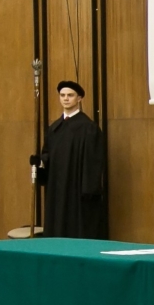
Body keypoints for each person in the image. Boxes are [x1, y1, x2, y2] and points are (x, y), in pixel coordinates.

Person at [40, 79, 106, 238]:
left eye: (70, 95)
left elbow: (93, 161)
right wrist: (40, 163)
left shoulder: (88, 128)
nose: (66, 98)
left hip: (76, 190)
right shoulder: (54, 128)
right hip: (57, 188)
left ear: (79, 98)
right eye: (62, 95)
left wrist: (88, 190)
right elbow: (47, 154)